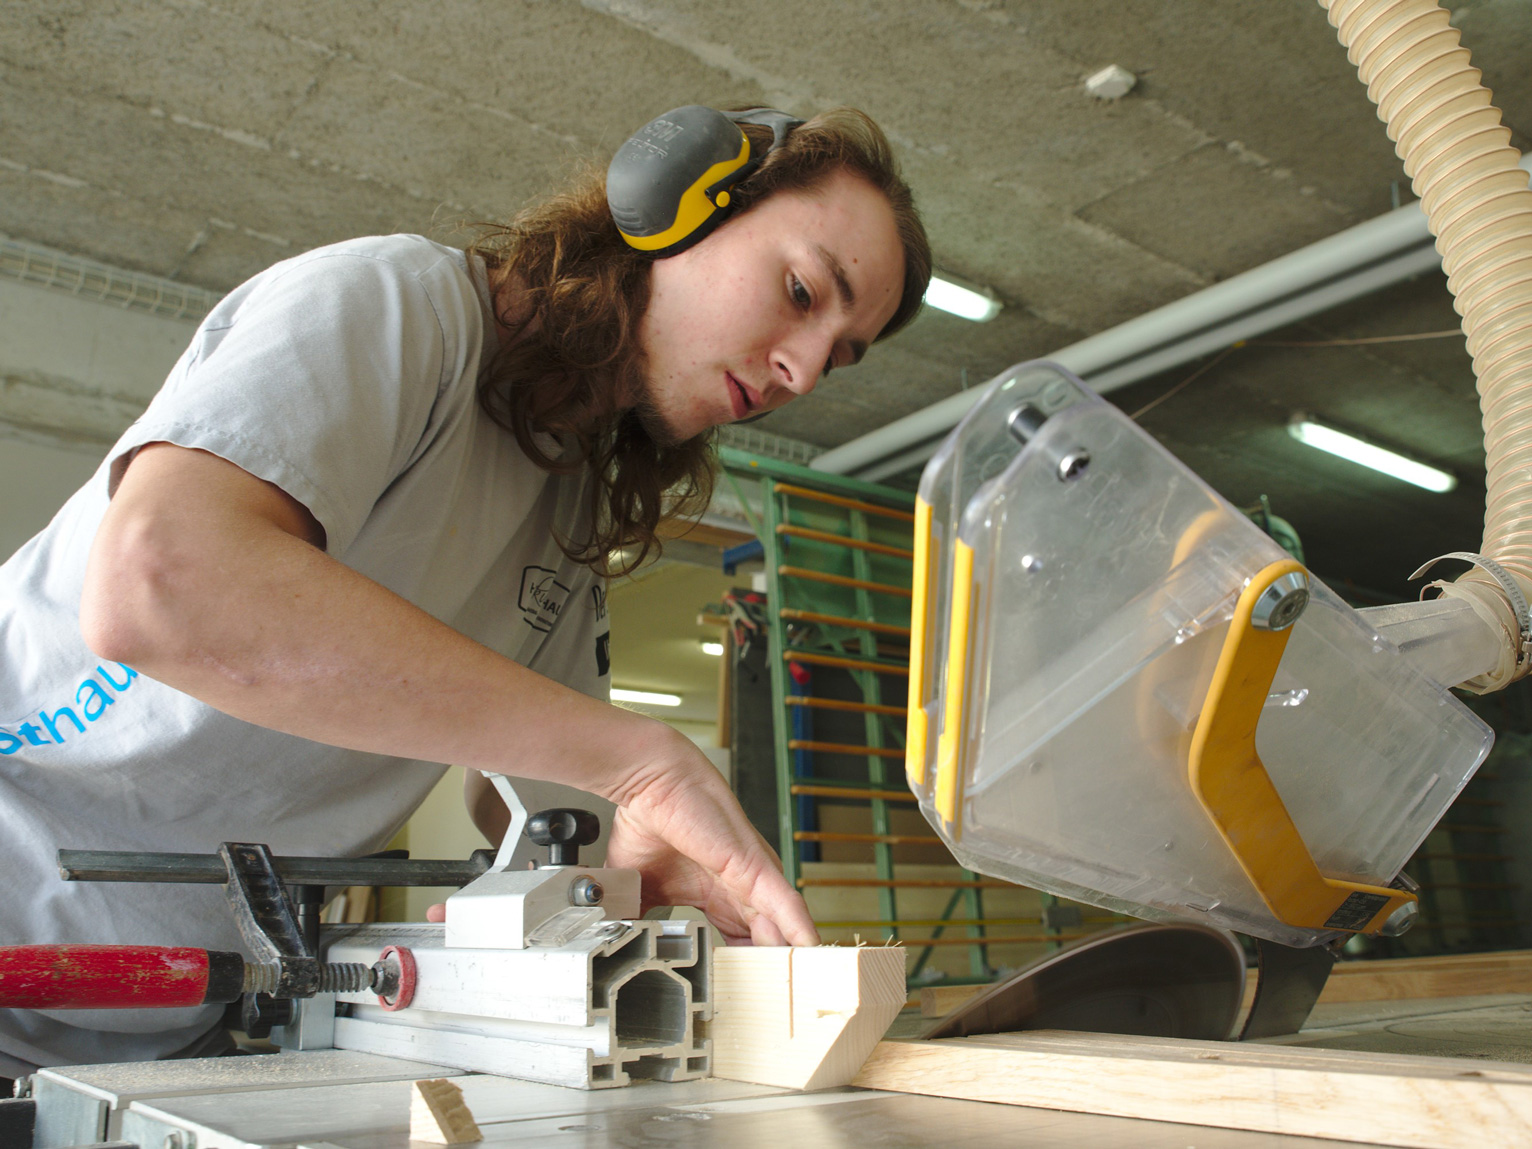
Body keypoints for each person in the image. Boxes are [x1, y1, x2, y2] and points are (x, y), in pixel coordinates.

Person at [0, 105, 930, 1076]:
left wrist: (639, 862)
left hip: (161, 1022)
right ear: (675, 203)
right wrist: (643, 761)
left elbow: (547, 797)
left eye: (839, 353)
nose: (803, 368)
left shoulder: (569, 500)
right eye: (799, 290)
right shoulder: (399, 305)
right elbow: (162, 583)